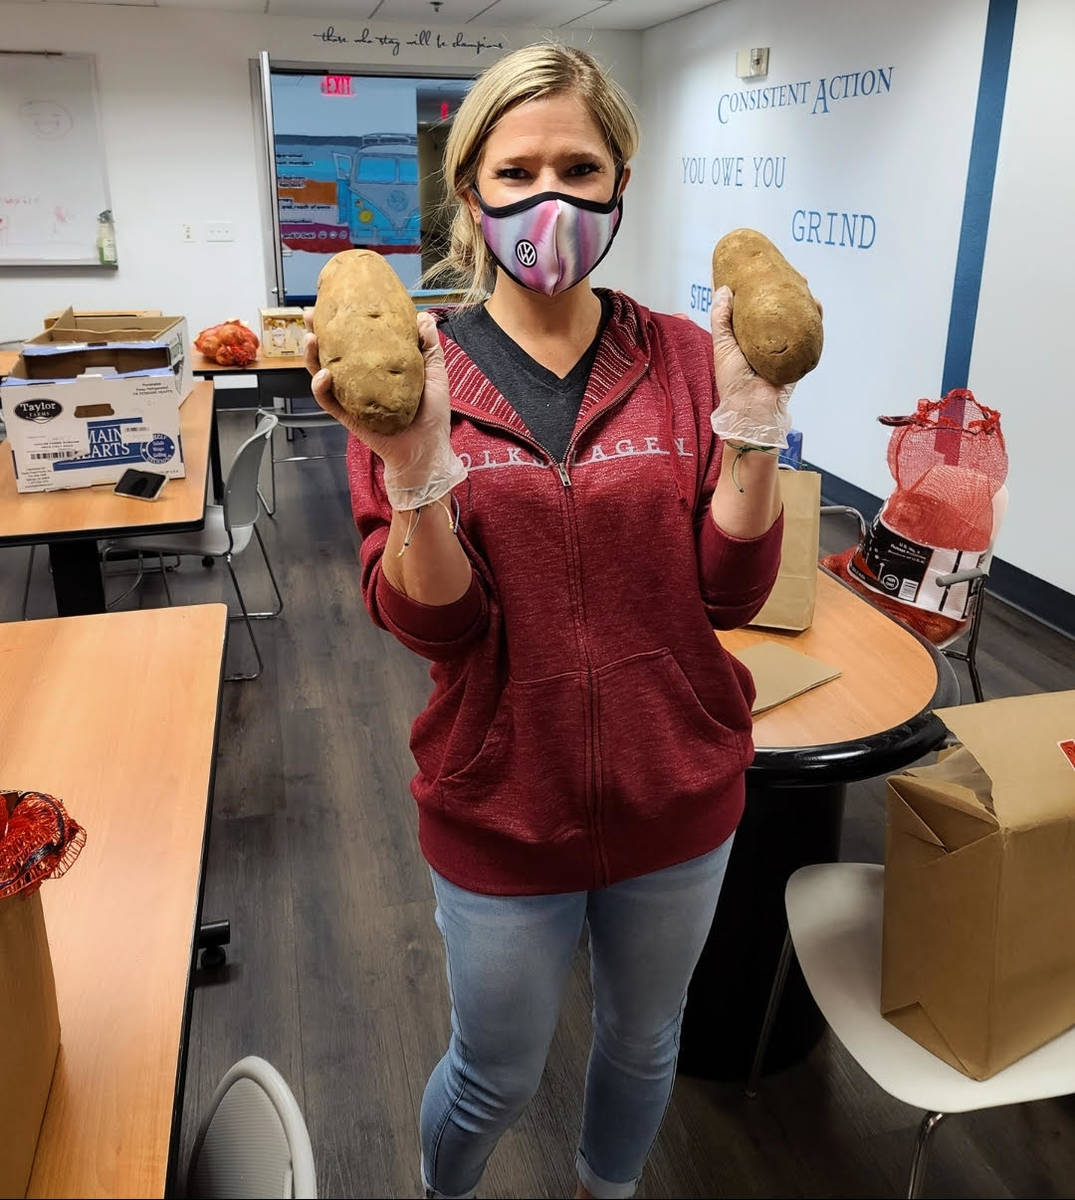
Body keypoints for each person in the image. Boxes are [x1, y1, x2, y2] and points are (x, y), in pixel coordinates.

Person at [305, 42, 795, 1200]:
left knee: (643, 1041)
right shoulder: (407, 372)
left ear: (619, 184)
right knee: (493, 1073)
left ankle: (607, 1190)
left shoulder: (679, 358)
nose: (550, 199)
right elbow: (437, 630)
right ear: (470, 190)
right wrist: (417, 465)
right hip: (500, 809)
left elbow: (728, 595)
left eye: (580, 167)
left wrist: (755, 425)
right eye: (518, 169)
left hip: (680, 795)